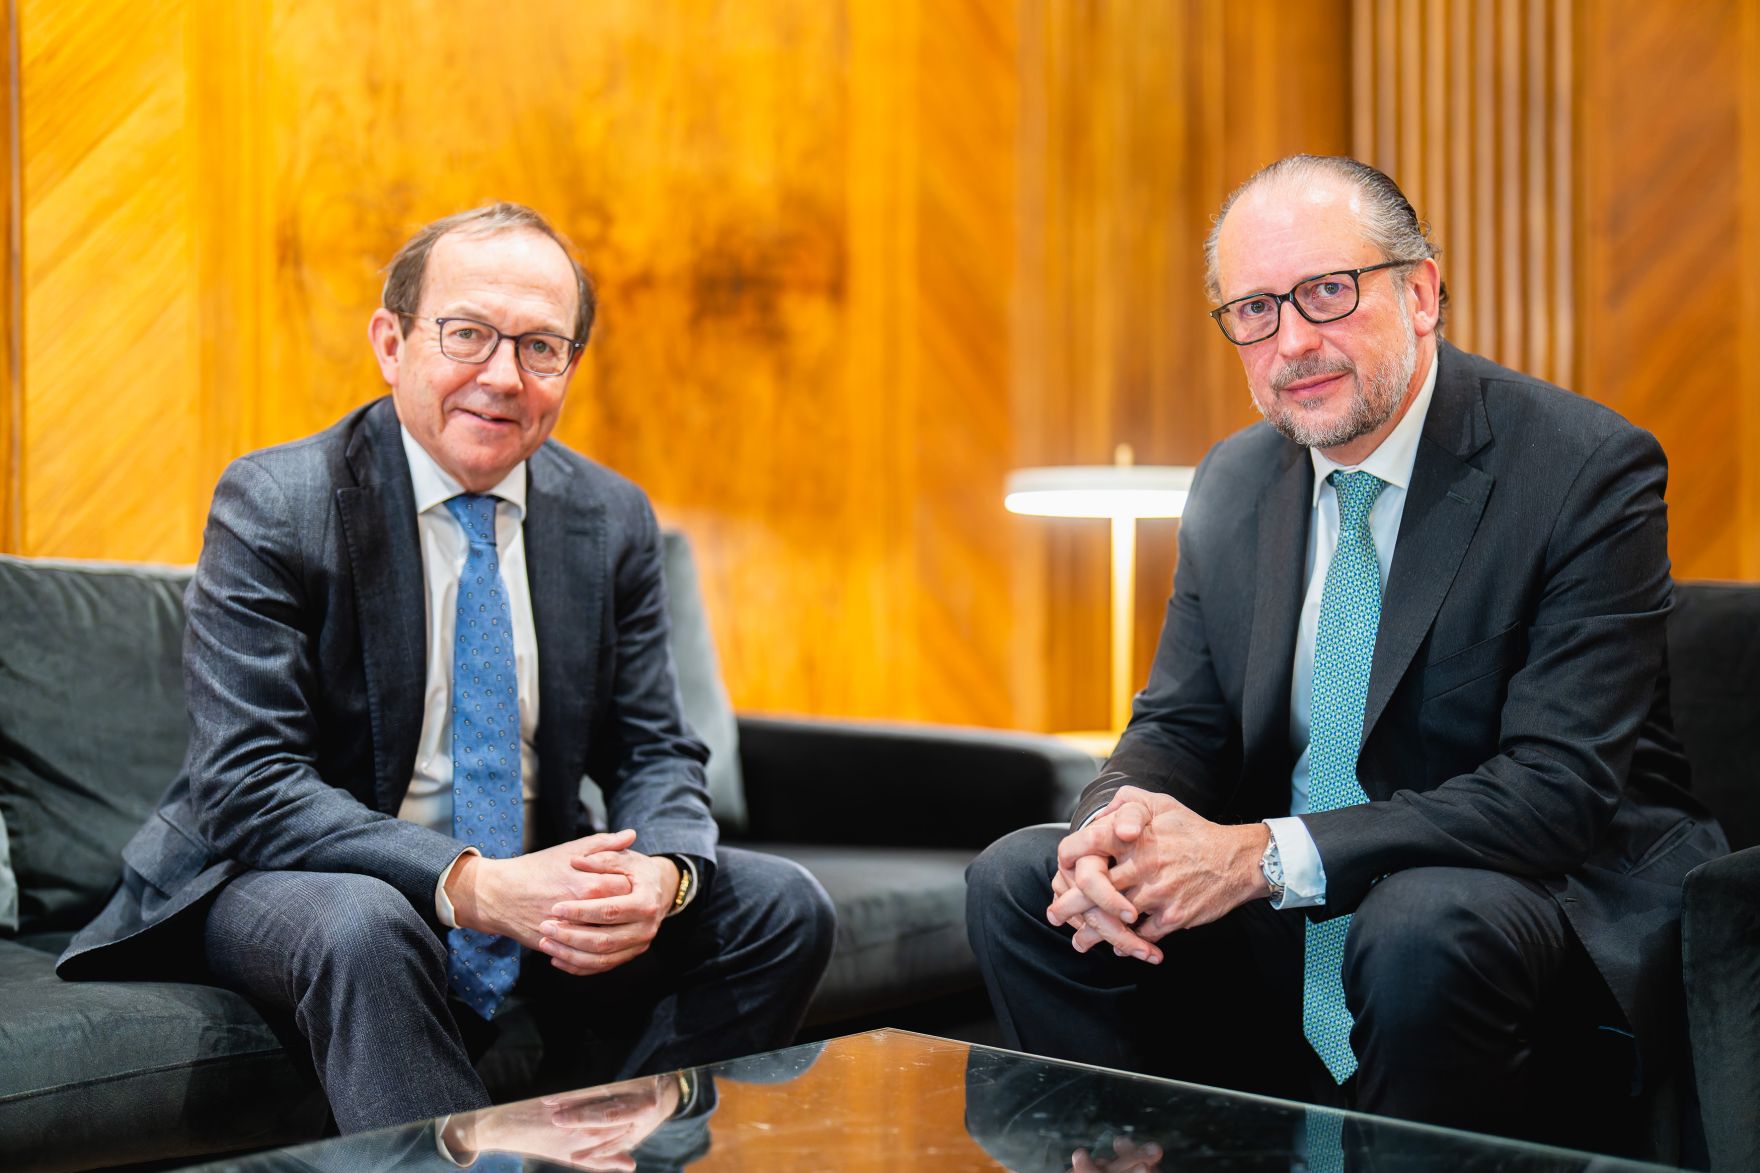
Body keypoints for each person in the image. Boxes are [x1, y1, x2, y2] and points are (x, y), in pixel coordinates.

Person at [965, 155, 1725, 1143]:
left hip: (1524, 898)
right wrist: (1107, 830)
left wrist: (1260, 859)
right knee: (1024, 883)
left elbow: (1553, 792)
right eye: (1252, 310)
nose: (1292, 342)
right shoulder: (1236, 478)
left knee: (1420, 923)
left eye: (1325, 293)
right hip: (1303, 916)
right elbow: (1178, 722)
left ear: (1420, 292)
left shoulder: (1581, 467)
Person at [58, 203, 835, 1133]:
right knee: (365, 923)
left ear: (570, 367)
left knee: (780, 906)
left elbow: (655, 748)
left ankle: (601, 1144)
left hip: (532, 871)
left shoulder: (609, 517)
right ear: (391, 343)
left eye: (542, 347)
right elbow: (248, 784)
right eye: (466, 334)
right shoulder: (278, 501)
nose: (503, 377)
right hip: (280, 873)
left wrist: (664, 874)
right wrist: (475, 883)